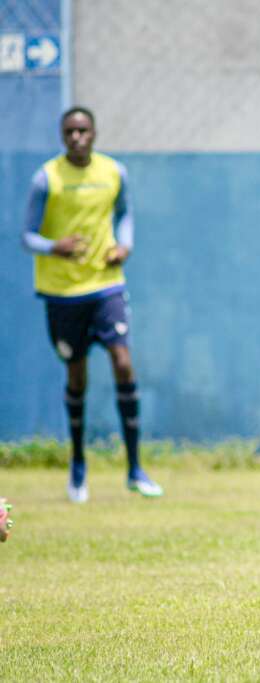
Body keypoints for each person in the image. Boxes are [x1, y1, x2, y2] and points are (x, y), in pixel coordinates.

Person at [21, 106, 163, 504]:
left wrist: (125, 244)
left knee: (122, 361)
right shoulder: (45, 178)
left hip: (106, 286)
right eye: (70, 131)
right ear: (62, 136)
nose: (77, 137)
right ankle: (79, 465)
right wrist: (54, 247)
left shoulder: (113, 172)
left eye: (83, 130)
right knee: (77, 375)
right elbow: (26, 236)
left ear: (95, 133)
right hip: (63, 293)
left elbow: (125, 214)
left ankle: (135, 468)